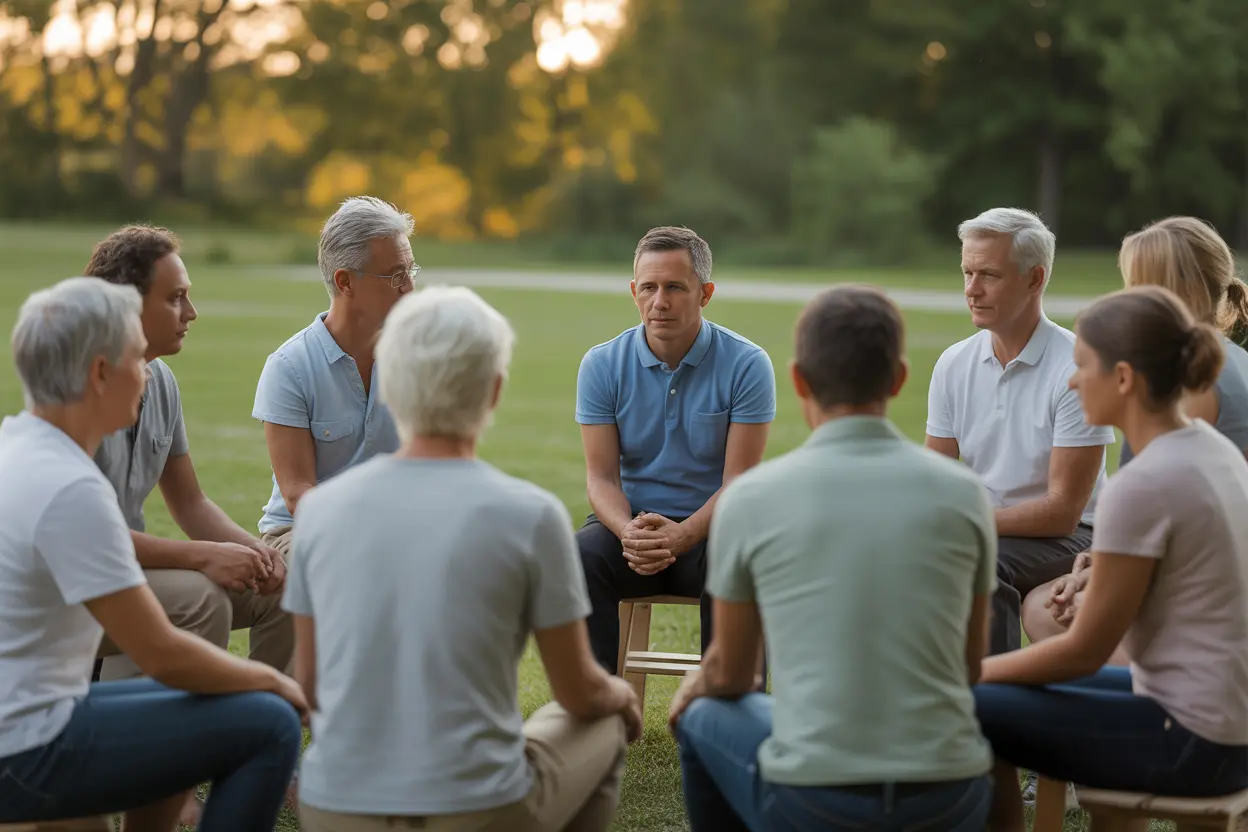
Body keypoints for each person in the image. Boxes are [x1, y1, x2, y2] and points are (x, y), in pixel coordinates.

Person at [283, 285, 641, 832]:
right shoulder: (529, 514)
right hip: (476, 808)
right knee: (603, 722)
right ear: (494, 390)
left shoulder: (321, 513)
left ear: (391, 387)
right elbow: (578, 691)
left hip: (335, 805)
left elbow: (307, 685)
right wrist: (620, 695)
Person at [668, 285, 996, 832]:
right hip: (950, 795)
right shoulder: (964, 495)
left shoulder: (753, 499)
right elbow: (967, 667)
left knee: (706, 714)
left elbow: (731, 673)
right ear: (898, 378)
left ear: (798, 380)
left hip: (815, 800)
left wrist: (691, 688)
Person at [0, 277, 306, 831]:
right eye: (137, 359)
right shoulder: (70, 486)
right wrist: (276, 684)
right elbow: (162, 652)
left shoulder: (17, 447)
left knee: (172, 725)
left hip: (33, 726)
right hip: (27, 749)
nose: (148, 374)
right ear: (99, 374)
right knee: (268, 723)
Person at [974, 285, 1248, 832]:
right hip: (1224, 720)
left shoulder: (1143, 483)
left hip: (1196, 739)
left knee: (974, 705)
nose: (1071, 380)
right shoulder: (1206, 447)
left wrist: (966, 676)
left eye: (1081, 365)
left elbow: (1081, 653)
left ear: (1123, 378)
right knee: (997, 690)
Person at [1023, 215, 1248, 646]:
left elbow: (1176, 530)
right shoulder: (1217, 360)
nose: (1124, 298)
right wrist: (1095, 563)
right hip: (1186, 577)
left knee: (1044, 610)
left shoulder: (1194, 385)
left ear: (1168, 291)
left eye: (1133, 284)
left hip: (1196, 614)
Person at [85, 225, 291, 681]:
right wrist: (202, 556)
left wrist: (257, 554)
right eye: (175, 297)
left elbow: (190, 503)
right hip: (78, 581)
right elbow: (87, 537)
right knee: (201, 597)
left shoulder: (160, 382)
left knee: (285, 585)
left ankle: (267, 711)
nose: (192, 313)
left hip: (131, 570)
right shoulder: (81, 391)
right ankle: (180, 733)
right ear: (128, 304)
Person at [575, 226, 776, 673]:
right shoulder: (602, 364)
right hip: (633, 530)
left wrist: (684, 535)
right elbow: (601, 478)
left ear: (705, 293)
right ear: (633, 291)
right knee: (581, 557)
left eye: (674, 288)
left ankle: (725, 714)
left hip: (712, 530)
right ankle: (596, 716)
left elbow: (739, 483)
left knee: (742, 558)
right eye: (648, 287)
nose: (659, 301)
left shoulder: (747, 364)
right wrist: (629, 532)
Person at [925, 207, 1115, 656]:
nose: (972, 289)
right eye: (967, 272)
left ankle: (997, 709)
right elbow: (935, 478)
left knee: (979, 564)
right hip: (991, 528)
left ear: (1035, 279)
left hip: (1075, 536)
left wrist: (965, 524)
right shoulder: (954, 363)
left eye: (989, 274)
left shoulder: (1076, 367)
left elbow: (1062, 511)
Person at [252, 195, 412, 558]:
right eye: (396, 276)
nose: (409, 288)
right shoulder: (290, 367)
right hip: (300, 532)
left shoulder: (416, 358)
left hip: (397, 529)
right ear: (345, 282)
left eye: (411, 272)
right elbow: (298, 495)